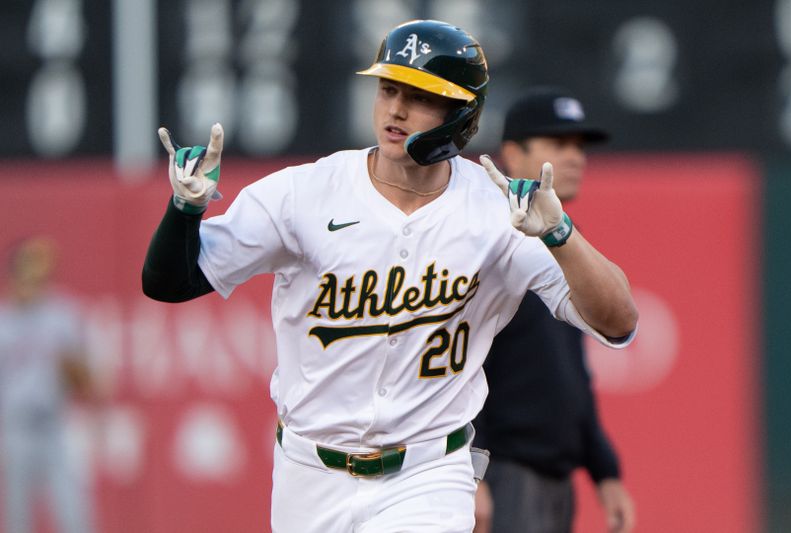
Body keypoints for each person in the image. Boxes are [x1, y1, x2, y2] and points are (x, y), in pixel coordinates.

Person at [141, 20, 638, 533]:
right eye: (388, 88)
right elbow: (170, 282)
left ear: (460, 113)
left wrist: (560, 234)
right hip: (308, 475)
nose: (396, 110)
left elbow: (619, 322)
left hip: (428, 473)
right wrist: (184, 209)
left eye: (420, 96)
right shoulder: (304, 193)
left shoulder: (499, 211)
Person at [472, 87, 636, 533]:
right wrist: (473, 472)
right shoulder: (484, 236)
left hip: (552, 477)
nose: (575, 157)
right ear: (511, 152)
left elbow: (572, 372)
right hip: (502, 469)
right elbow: (457, 363)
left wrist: (604, 469)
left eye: (579, 147)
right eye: (558, 144)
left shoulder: (562, 239)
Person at [0, 236, 95, 533]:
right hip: (15, 428)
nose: (36, 275)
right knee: (18, 521)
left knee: (75, 518)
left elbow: (89, 383)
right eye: (29, 266)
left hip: (55, 426)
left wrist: (73, 366)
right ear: (15, 273)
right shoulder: (3, 321)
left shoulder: (62, 315)